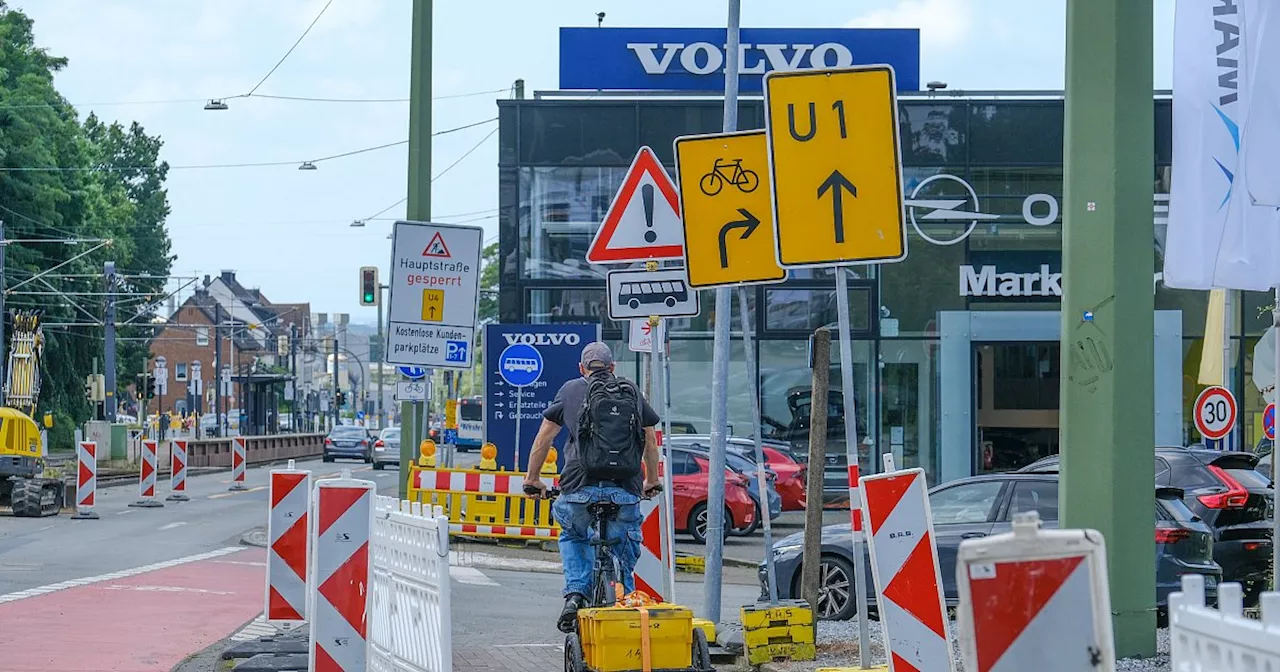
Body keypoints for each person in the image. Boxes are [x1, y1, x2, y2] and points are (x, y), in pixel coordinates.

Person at [523, 342, 662, 633]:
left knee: (574, 535)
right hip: (625, 489)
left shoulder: (571, 389)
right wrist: (650, 481)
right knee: (624, 547)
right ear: (613, 369)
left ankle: (575, 594)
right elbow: (650, 441)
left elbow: (543, 439)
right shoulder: (632, 391)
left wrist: (533, 480)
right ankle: (625, 600)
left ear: (582, 368)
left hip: (578, 487)